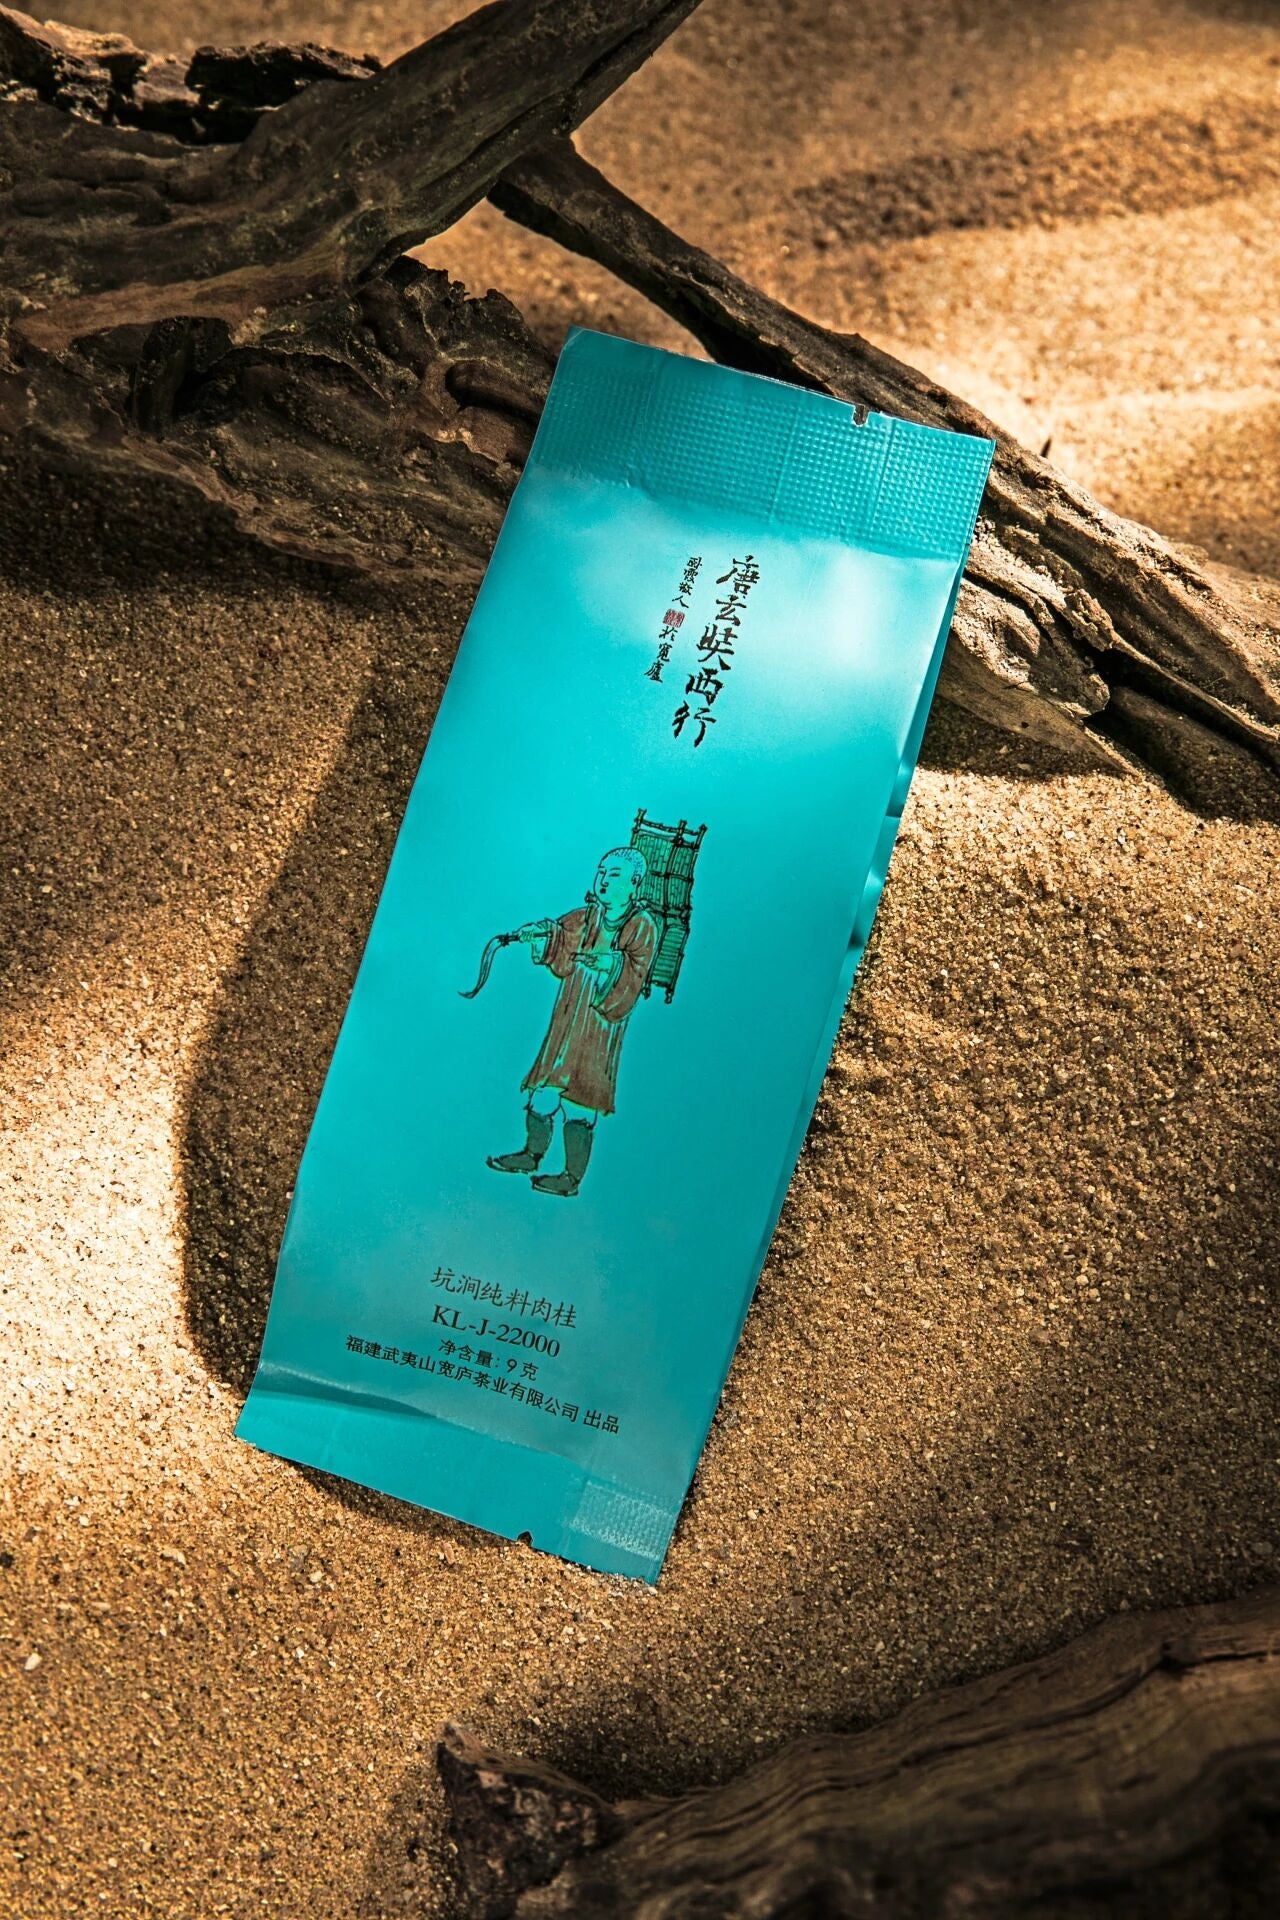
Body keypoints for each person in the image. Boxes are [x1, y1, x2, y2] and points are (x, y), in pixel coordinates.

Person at [487, 846, 658, 1196]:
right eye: (601, 872)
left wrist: (610, 963)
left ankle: (571, 1177)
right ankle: (531, 1154)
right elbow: (560, 937)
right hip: (569, 1014)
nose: (604, 881)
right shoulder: (587, 917)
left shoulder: (642, 925)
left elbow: (636, 969)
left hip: (600, 1023)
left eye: (614, 875)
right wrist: (540, 933)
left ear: (634, 883)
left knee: (581, 1098)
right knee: (546, 1087)